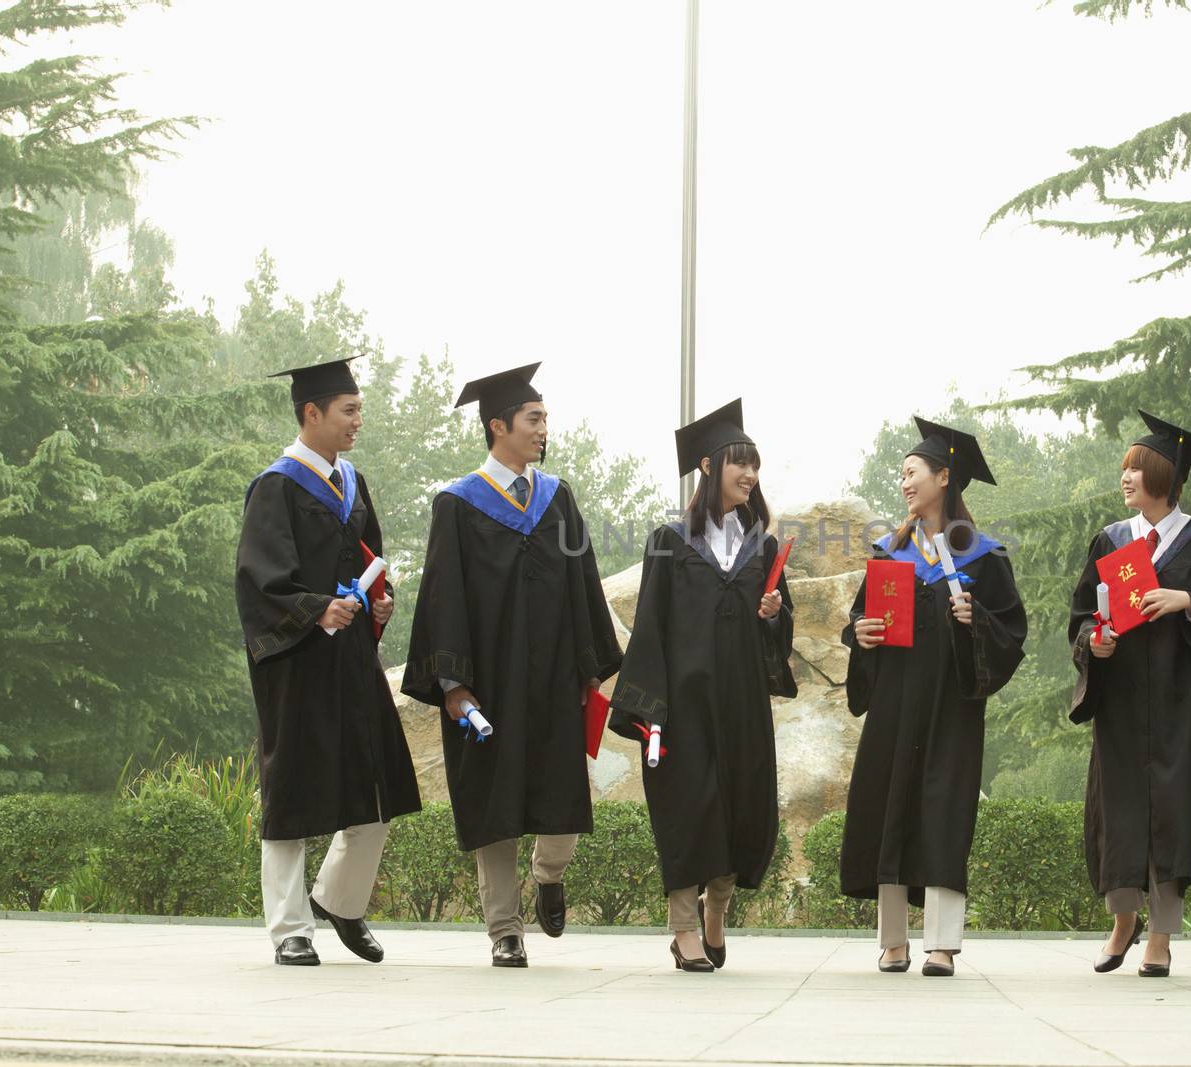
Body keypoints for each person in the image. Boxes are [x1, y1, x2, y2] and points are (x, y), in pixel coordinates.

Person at [401, 362, 622, 968]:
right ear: (498, 425)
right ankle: (505, 928)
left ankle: (549, 873)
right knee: (494, 807)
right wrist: (452, 685)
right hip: (490, 683)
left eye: (545, 418)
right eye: (533, 419)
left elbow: (583, 582)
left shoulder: (557, 498)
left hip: (553, 676)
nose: (543, 429)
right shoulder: (457, 504)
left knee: (563, 801)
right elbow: (443, 596)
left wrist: (590, 667)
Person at [236, 356, 422, 967]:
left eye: (359, 410)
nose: (358, 420)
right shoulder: (277, 486)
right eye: (348, 410)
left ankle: (341, 899)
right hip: (296, 661)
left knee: (380, 778)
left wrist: (378, 603)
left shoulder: (353, 483)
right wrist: (317, 610)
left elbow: (372, 555)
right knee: (290, 790)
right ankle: (290, 926)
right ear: (311, 413)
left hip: (351, 659)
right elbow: (260, 582)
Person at [1067, 412, 1191, 977]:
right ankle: (1122, 921)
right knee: (1119, 808)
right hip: (1122, 702)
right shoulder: (1111, 540)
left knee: (1170, 813)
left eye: (1136, 469)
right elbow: (1083, 616)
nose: (1125, 478)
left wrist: (1187, 602)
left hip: (1179, 704)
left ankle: (1161, 935)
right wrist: (1092, 643)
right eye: (1125, 469)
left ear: (1165, 478)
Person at [609, 399, 797, 973]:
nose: (750, 475)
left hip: (740, 705)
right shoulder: (670, 540)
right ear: (710, 466)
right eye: (741, 463)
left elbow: (780, 632)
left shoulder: (762, 547)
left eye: (756, 466)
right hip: (683, 707)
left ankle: (717, 913)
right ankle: (684, 929)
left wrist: (771, 614)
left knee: (739, 810)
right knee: (688, 812)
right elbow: (650, 630)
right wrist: (649, 712)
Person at [840, 418, 1027, 977]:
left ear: (944, 478)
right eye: (901, 475)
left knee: (945, 813)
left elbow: (1011, 632)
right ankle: (892, 941)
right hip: (895, 703)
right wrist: (862, 632)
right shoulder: (890, 550)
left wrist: (975, 622)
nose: (903, 483)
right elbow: (858, 619)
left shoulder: (983, 555)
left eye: (912, 473)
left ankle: (942, 944)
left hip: (952, 707)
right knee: (890, 807)